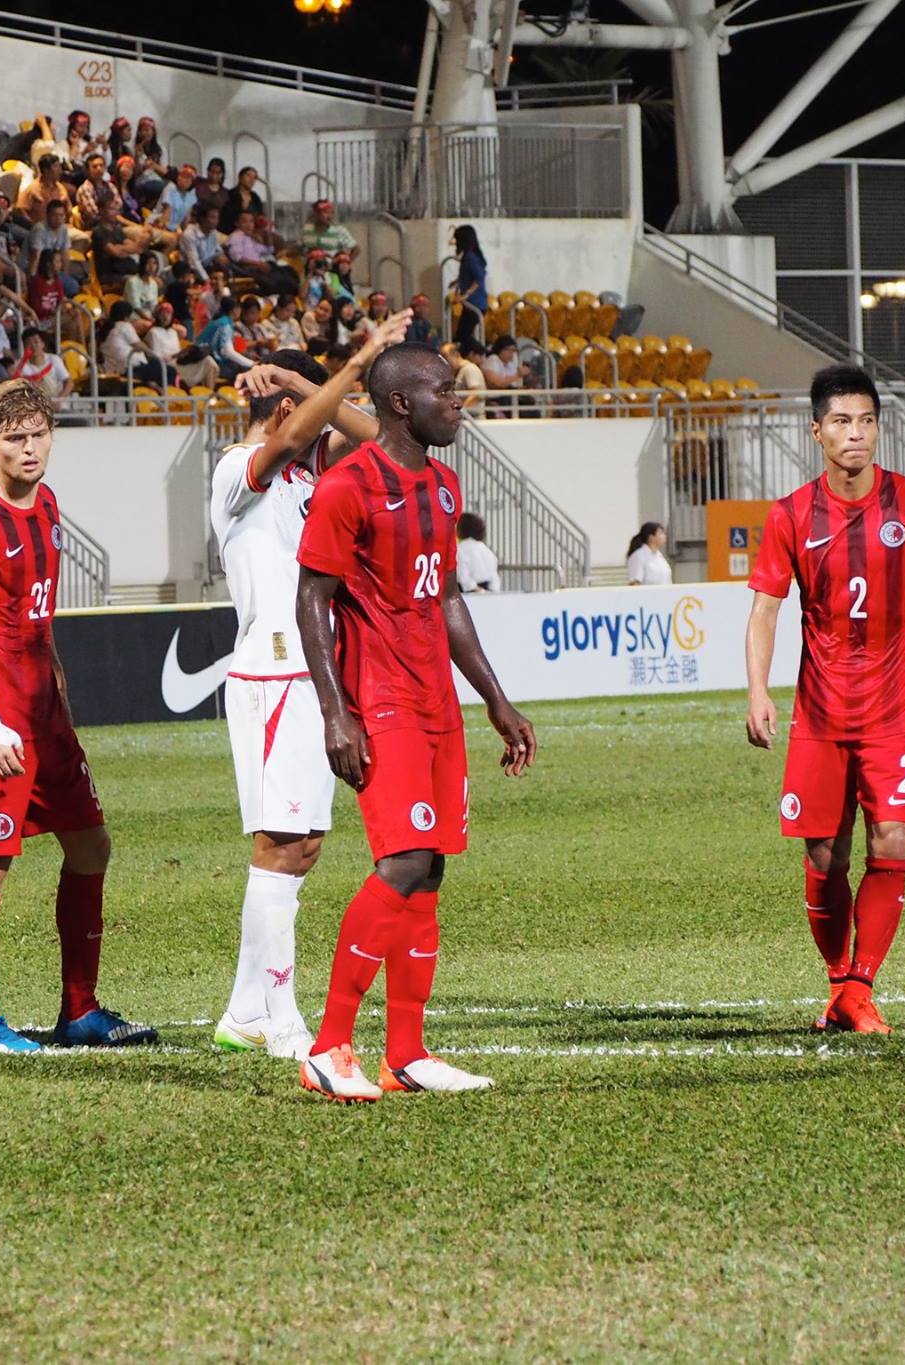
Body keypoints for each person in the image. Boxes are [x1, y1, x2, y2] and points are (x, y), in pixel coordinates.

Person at [293, 341, 537, 1100]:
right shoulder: (348, 486)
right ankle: (330, 1047)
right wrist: (336, 713)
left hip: (437, 699)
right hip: (382, 700)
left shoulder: (440, 484)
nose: (459, 402)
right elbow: (312, 600)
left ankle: (408, 1051)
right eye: (446, 392)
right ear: (401, 402)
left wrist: (495, 698)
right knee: (400, 860)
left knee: (429, 870)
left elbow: (449, 598)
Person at [744, 365, 905, 1033]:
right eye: (841, 421)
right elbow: (764, 612)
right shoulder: (790, 515)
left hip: (897, 711)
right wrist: (758, 689)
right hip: (820, 713)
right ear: (817, 431)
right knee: (823, 855)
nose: (856, 433)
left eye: (867, 420)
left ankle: (859, 985)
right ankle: (840, 980)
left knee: (892, 840)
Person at [208, 321, 410, 1057]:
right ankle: (282, 1014)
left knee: (305, 846)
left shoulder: (315, 479)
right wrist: (353, 363)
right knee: (280, 843)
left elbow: (376, 439)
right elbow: (293, 439)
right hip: (271, 670)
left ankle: (244, 1009)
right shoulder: (239, 469)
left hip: (309, 675)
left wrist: (300, 382)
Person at [0, 381, 155, 1053]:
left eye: (39, 435)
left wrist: (55, 679)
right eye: (15, 438)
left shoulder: (50, 505)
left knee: (91, 844)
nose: (30, 449)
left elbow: (36, 611)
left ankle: (80, 1010)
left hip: (45, 709)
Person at [452, 225, 488, 346]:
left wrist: (465, 295)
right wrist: (457, 281)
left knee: (463, 336)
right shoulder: (473, 256)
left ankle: (478, 352)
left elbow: (478, 278)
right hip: (478, 302)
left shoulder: (470, 258)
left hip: (474, 303)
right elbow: (470, 275)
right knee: (464, 334)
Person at [8, 328, 69, 398]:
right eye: (28, 343)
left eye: (36, 342)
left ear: (43, 344)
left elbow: (68, 382)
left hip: (56, 401)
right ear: (24, 346)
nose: (33, 346)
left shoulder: (54, 359)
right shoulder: (19, 365)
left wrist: (61, 399)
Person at [455, 512, 500, 592]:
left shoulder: (459, 550)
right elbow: (495, 579)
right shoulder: (488, 551)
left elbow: (463, 578)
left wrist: (476, 590)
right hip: (489, 593)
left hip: (466, 594)